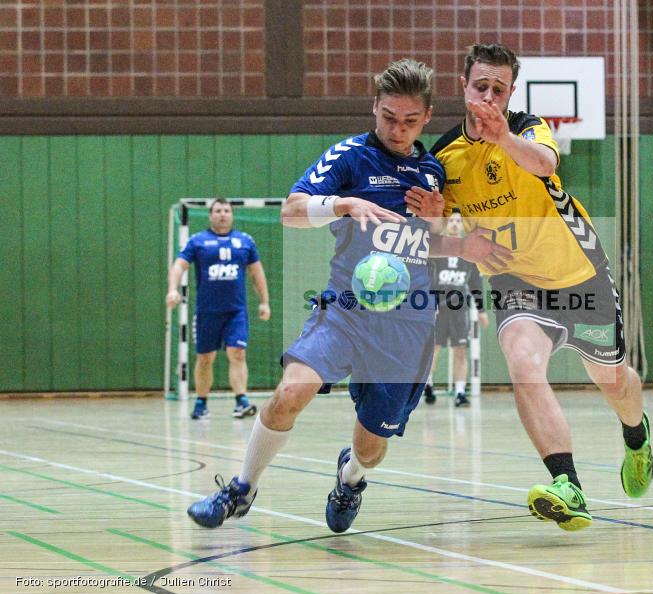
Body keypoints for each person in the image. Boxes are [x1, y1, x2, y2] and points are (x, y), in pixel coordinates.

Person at [186, 59, 508, 533]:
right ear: (374, 107)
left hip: (407, 327)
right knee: (288, 394)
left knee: (371, 448)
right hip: (346, 310)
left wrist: (447, 228)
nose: (397, 130)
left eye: (410, 121)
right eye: (388, 117)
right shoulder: (350, 157)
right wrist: (343, 203)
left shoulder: (433, 172)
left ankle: (350, 479)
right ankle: (241, 489)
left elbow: (429, 244)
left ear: (427, 116)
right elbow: (292, 212)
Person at [427, 43, 653, 532]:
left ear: (511, 92)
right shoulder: (444, 157)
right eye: (480, 86)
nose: (488, 95)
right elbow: (427, 239)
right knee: (523, 363)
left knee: (612, 382)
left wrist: (503, 136)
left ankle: (636, 435)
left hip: (578, 272)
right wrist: (462, 246)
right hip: (514, 281)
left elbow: (545, 164)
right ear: (462, 85)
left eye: (499, 88)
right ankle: (567, 485)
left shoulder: (527, 128)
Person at [166, 199, 271, 420]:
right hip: (207, 313)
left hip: (236, 312)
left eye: (226, 210)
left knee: (238, 353)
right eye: (217, 211)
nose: (222, 214)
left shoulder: (245, 242)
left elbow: (256, 273)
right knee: (205, 358)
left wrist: (264, 302)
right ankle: (201, 403)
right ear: (210, 215)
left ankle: (241, 401)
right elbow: (179, 265)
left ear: (232, 215)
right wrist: (172, 289)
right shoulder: (198, 241)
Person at [424, 211, 489, 408]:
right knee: (433, 349)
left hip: (459, 309)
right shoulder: (437, 249)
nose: (454, 224)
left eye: (458, 221)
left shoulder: (469, 251)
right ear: (446, 223)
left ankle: (460, 392)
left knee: (460, 350)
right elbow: (426, 278)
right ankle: (428, 385)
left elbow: (475, 282)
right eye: (451, 220)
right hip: (438, 307)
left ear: (462, 225)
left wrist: (481, 309)